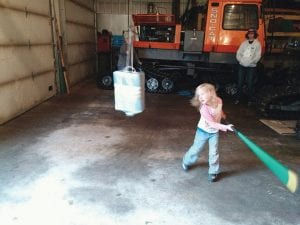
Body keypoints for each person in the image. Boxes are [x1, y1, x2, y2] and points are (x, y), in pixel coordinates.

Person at [182, 83, 234, 182]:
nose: (200, 97)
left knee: (214, 152)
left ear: (210, 93)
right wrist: (226, 127)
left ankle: (213, 171)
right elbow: (212, 124)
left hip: (214, 133)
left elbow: (219, 109)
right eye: (198, 95)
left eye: (202, 94)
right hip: (203, 131)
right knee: (196, 149)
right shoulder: (203, 108)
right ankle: (187, 161)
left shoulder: (219, 100)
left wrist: (222, 115)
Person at [235, 28, 262, 105]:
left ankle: (249, 100)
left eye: (252, 33)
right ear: (248, 35)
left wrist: (251, 61)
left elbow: (258, 55)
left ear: (254, 35)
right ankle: (237, 99)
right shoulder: (244, 43)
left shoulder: (257, 44)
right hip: (242, 65)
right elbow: (239, 53)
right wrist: (241, 60)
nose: (250, 35)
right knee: (240, 82)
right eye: (249, 33)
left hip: (251, 66)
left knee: (250, 83)